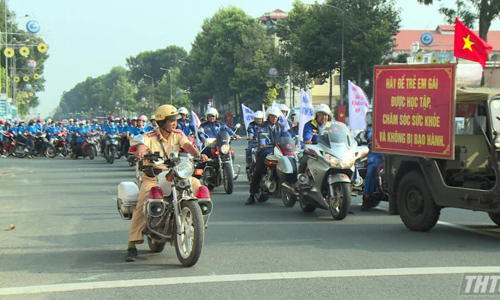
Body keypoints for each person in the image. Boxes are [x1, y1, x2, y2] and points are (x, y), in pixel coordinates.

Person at [125, 104, 208, 262]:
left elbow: (187, 145)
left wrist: (198, 154)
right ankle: (131, 244)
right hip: (154, 177)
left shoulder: (177, 134)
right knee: (142, 204)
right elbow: (141, 144)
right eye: (171, 121)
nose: (175, 123)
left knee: (198, 185)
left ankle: (196, 217)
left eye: (175, 120)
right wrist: (141, 152)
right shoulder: (150, 136)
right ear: (161, 122)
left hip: (175, 173)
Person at [246, 106, 289, 205]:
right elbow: (262, 136)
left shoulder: (281, 127)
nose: (274, 118)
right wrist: (262, 143)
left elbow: (287, 136)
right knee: (258, 171)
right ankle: (252, 195)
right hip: (264, 151)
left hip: (278, 152)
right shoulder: (262, 126)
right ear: (268, 117)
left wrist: (292, 144)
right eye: (272, 116)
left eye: (276, 117)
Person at [362, 124, 383, 210]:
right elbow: (368, 137)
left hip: (388, 154)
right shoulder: (371, 127)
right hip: (375, 154)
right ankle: (367, 196)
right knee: (371, 172)